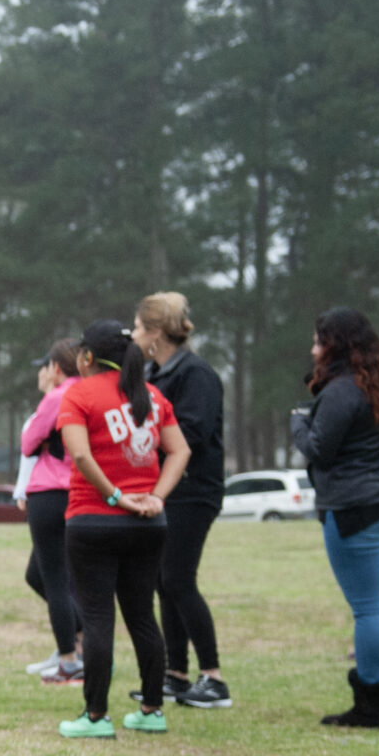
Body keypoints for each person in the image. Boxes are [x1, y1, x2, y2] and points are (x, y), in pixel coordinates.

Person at [54, 320, 191, 738]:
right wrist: (156, 497)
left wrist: (114, 496)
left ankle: (95, 717)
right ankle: (151, 711)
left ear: (87, 357)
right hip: (147, 525)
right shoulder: (150, 395)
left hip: (93, 519)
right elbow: (180, 450)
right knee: (142, 616)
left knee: (97, 619)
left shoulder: (79, 393)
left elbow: (79, 455)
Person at [291, 308, 379, 729]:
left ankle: (370, 704)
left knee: (368, 610)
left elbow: (321, 448)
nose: (312, 349)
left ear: (333, 346)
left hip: (356, 512)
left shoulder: (342, 391)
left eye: (316, 341)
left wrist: (298, 426)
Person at [130, 292, 229, 710]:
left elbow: (191, 432)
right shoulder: (154, 374)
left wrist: (143, 442)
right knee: (162, 581)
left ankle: (214, 679)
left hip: (193, 491)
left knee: (178, 579)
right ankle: (176, 674)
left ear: (155, 333)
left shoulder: (196, 374)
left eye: (136, 327)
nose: (132, 334)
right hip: (167, 491)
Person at [19, 339, 84, 683]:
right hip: (81, 494)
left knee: (56, 581)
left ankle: (70, 660)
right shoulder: (89, 393)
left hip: (51, 492)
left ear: (56, 368)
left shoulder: (58, 397)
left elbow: (29, 442)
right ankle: (84, 643)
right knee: (46, 575)